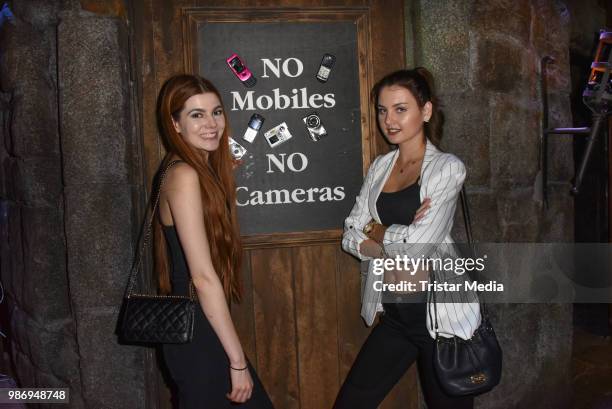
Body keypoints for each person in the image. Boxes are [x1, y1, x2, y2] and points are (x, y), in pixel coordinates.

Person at [334, 68, 481, 409]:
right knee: (352, 401)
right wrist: (379, 235)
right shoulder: (380, 167)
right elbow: (349, 232)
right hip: (395, 312)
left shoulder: (447, 168)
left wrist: (376, 230)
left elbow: (417, 247)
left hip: (438, 316)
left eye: (401, 109)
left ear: (425, 111)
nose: (389, 120)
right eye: (383, 110)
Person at [152, 74, 274, 409]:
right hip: (197, 329)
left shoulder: (189, 170)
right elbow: (203, 278)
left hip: (195, 324)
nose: (212, 124)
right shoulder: (184, 175)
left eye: (216, 112)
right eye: (196, 114)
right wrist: (238, 362)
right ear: (175, 124)